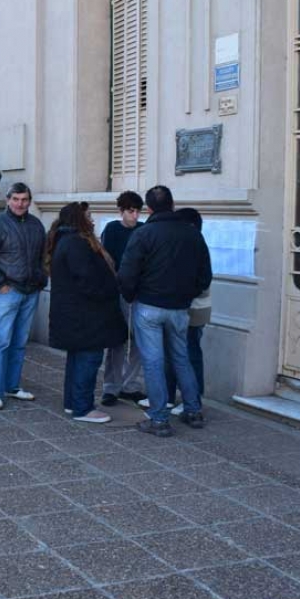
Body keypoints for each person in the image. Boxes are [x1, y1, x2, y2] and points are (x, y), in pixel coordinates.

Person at [118, 185, 213, 437]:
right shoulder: (192, 234)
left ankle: (159, 418)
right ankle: (193, 410)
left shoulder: (144, 234)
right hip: (179, 307)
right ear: (172, 204)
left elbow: (127, 272)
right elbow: (205, 275)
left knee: (153, 362)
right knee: (181, 358)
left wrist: (131, 296)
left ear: (148, 208)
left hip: (148, 305)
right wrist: (186, 294)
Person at [46, 202, 127, 424]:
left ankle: (73, 403)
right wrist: (111, 287)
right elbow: (88, 280)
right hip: (85, 315)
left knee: (77, 358)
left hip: (76, 314)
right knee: (89, 359)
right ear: (78, 219)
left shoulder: (65, 240)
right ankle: (83, 407)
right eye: (89, 216)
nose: (92, 220)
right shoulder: (76, 243)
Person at [0, 182, 48, 410]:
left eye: (24, 199)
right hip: (7, 291)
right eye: (16, 199)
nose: (20, 203)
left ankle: (12, 386)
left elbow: (42, 256)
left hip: (30, 290)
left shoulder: (36, 224)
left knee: (19, 342)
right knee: (1, 341)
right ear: (7, 200)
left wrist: (40, 279)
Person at [162, 207, 212, 415]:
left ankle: (193, 399)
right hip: (182, 308)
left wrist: (180, 295)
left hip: (193, 310)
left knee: (190, 355)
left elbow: (202, 280)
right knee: (173, 354)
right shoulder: (190, 242)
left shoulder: (195, 244)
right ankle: (168, 397)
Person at [100, 190, 146, 406]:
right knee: (117, 340)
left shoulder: (144, 230)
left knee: (139, 340)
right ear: (121, 211)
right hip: (118, 289)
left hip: (140, 292)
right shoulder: (112, 229)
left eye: (137, 211)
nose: (134, 216)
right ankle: (111, 386)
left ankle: (131, 385)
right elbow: (107, 260)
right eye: (130, 211)